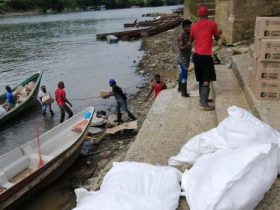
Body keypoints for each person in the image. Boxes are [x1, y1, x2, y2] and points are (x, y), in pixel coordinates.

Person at [190, 6, 222, 110]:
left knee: (200, 78)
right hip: (206, 56)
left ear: (199, 15)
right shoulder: (212, 24)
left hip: (196, 56)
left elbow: (191, 39)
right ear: (207, 14)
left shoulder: (193, 26)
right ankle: (203, 102)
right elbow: (217, 37)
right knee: (207, 78)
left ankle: (202, 98)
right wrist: (219, 33)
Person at [177, 19, 192, 97]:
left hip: (186, 58)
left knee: (181, 74)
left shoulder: (189, 33)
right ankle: (184, 92)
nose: (189, 28)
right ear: (183, 27)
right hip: (182, 59)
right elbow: (181, 48)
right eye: (188, 26)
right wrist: (188, 45)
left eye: (190, 26)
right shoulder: (181, 35)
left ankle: (179, 88)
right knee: (184, 76)